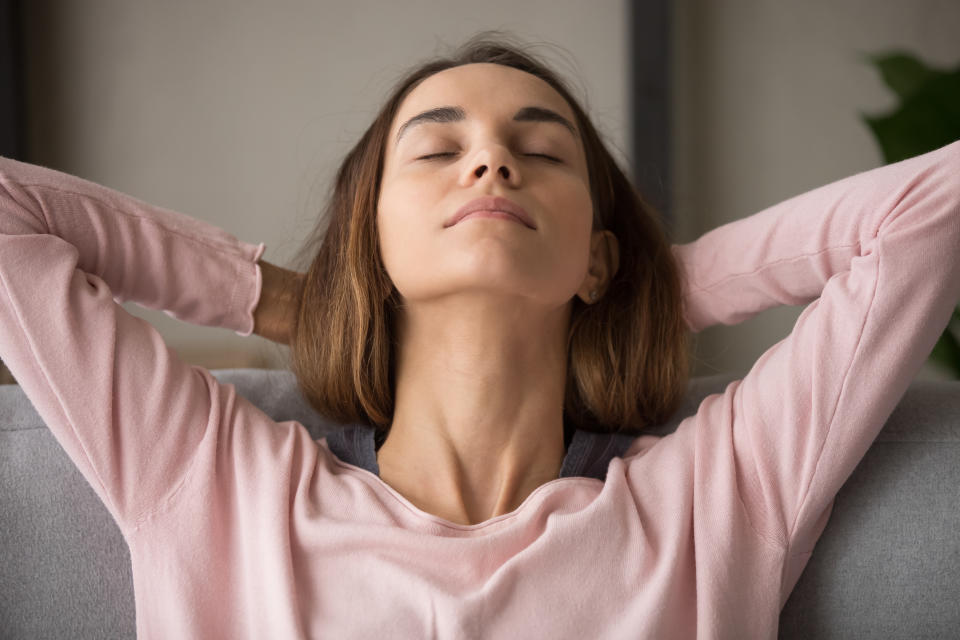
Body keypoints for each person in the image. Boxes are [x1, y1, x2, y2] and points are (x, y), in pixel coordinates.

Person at [1, 32, 958, 639]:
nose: (494, 159)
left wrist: (646, 293)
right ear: (368, 242)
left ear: (598, 255)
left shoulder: (718, 497)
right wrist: (294, 300)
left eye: (542, 152)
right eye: (437, 149)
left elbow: (928, 214)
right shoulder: (216, 487)